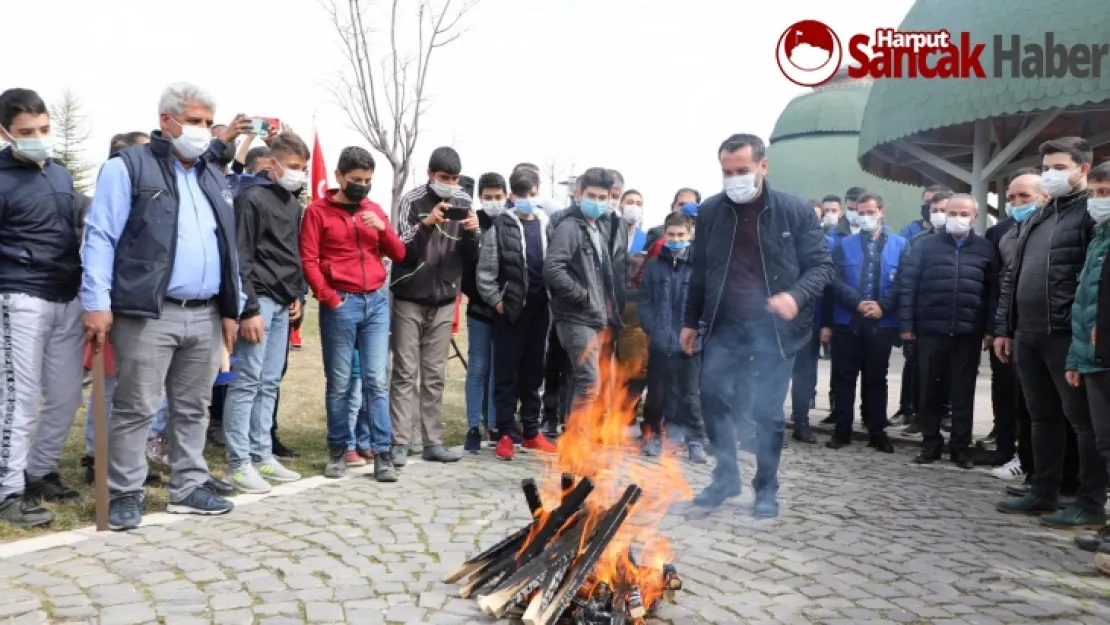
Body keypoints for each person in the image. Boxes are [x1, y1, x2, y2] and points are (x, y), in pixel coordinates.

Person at [81, 83, 250, 530]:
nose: (201, 130)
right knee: (136, 406)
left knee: (193, 405)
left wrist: (234, 306)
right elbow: (101, 236)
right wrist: (96, 302)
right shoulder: (128, 167)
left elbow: (227, 246)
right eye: (193, 120)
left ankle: (189, 486)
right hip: (148, 309)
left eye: (205, 122)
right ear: (167, 122)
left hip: (207, 311)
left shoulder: (214, 175)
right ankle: (124, 493)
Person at [682, 133, 833, 517]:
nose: (735, 179)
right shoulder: (712, 211)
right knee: (712, 397)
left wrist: (795, 296)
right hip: (725, 325)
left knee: (766, 411)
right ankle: (725, 477)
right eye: (727, 172)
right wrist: (689, 320)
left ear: (763, 167)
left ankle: (766, 487)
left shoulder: (795, 211)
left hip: (776, 332)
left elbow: (822, 266)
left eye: (743, 170)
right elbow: (699, 271)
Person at [995, 137, 1106, 530]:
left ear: (1082, 169)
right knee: (1040, 416)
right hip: (1028, 332)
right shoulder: (1040, 215)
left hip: (1065, 333)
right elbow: (1013, 276)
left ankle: (1089, 501)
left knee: (1083, 422)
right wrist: (1004, 328)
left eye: (1059, 167)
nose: (1050, 175)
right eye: (1046, 168)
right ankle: (1043, 490)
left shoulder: (1091, 214)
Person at [0, 88, 85, 527]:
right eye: (27, 132)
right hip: (20, 296)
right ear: (5, 133)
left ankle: (40, 471)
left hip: (67, 295)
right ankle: (7, 489)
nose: (38, 137)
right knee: (19, 400)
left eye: (45, 129)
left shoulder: (60, 174)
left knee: (67, 394)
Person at [301, 146, 403, 481]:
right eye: (356, 179)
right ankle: (338, 450)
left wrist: (382, 229)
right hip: (341, 303)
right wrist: (330, 299)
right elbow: (309, 260)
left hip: (374, 302)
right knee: (340, 383)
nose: (362, 185)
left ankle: (383, 453)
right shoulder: (318, 212)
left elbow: (399, 252)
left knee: (376, 380)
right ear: (340, 177)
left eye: (368, 180)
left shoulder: (373, 210)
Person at [221, 133, 310, 493]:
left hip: (283, 302)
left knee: (270, 382)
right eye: (291, 167)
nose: (297, 174)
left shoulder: (292, 204)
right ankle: (238, 462)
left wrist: (297, 295)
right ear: (271, 164)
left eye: (302, 169)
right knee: (246, 383)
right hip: (257, 304)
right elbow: (241, 256)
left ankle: (262, 455)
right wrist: (249, 308)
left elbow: (291, 254)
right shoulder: (250, 198)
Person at [390, 147, 478, 465]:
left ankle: (432, 441)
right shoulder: (412, 200)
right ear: (430, 174)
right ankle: (400, 441)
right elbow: (401, 250)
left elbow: (471, 259)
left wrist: (473, 234)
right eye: (444, 178)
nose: (450, 184)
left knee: (434, 374)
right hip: (409, 296)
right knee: (404, 373)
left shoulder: (465, 203)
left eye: (454, 179)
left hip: (444, 299)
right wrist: (427, 223)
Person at [899, 194, 999, 469]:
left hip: (968, 333)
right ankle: (930, 444)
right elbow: (908, 287)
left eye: (963, 213)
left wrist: (990, 328)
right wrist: (907, 327)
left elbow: (993, 293)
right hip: (930, 330)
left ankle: (960, 448)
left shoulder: (986, 249)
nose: (957, 218)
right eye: (952, 212)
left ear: (974, 217)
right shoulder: (924, 245)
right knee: (929, 390)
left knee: (963, 392)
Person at [478, 168, 557, 460]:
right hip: (510, 312)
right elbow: (485, 272)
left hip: (541, 310)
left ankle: (531, 431)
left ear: (538, 192)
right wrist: (497, 301)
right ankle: (504, 433)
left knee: (534, 372)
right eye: (521, 195)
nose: (527, 199)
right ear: (512, 195)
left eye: (531, 194)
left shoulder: (546, 223)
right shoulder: (501, 225)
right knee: (506, 373)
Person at [823, 193, 905, 454]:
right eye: (861, 212)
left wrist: (882, 306)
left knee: (876, 378)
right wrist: (857, 302)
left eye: (871, 212)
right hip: (848, 320)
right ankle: (842, 430)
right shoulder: (843, 244)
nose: (865, 217)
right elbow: (834, 281)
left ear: (882, 212)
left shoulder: (900, 245)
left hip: (882, 322)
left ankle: (877, 431)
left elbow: (904, 281)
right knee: (845, 377)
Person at [545, 167, 623, 416]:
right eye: (592, 196)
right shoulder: (570, 227)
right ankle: (575, 452)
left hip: (594, 318)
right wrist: (584, 296)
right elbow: (553, 268)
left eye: (603, 197)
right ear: (579, 194)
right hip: (575, 317)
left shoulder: (598, 228)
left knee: (585, 383)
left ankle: (576, 446)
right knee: (589, 383)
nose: (598, 202)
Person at [989, 170, 1047, 483]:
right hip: (1019, 330)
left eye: (1024, 197)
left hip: (1051, 330)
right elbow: (1005, 284)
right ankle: (1026, 464)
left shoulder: (1054, 229)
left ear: (1043, 196)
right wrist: (1003, 329)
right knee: (1023, 404)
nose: (1017, 203)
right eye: (1011, 198)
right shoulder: (1008, 233)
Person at [1066, 162, 1110, 558]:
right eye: (1094, 193)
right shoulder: (1099, 238)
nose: (1099, 201)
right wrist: (1076, 357)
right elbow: (1085, 305)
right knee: (1104, 441)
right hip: (1094, 357)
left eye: (1106, 193)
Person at [640, 211, 707, 463]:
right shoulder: (654, 267)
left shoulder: (700, 267)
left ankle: (695, 441)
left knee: (690, 396)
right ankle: (653, 436)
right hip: (660, 343)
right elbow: (645, 303)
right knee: (656, 395)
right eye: (672, 235)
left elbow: (707, 304)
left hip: (690, 346)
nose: (676, 239)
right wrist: (654, 329)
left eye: (681, 235)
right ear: (664, 235)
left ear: (690, 234)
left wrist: (697, 331)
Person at [895, 190, 953, 434]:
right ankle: (921, 416)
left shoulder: (975, 244)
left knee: (951, 372)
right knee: (922, 371)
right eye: (935, 210)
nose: (939, 215)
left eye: (944, 210)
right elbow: (906, 284)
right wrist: (907, 325)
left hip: (955, 321)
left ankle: (948, 414)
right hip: (924, 320)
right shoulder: (917, 242)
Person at [461, 172, 504, 452]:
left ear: (506, 196)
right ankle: (473, 426)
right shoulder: (471, 222)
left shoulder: (510, 224)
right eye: (487, 197)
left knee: (498, 370)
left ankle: (496, 424)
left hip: (504, 310)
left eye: (497, 197)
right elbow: (465, 267)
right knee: (478, 367)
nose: (492, 202)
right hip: (478, 309)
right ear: (480, 198)